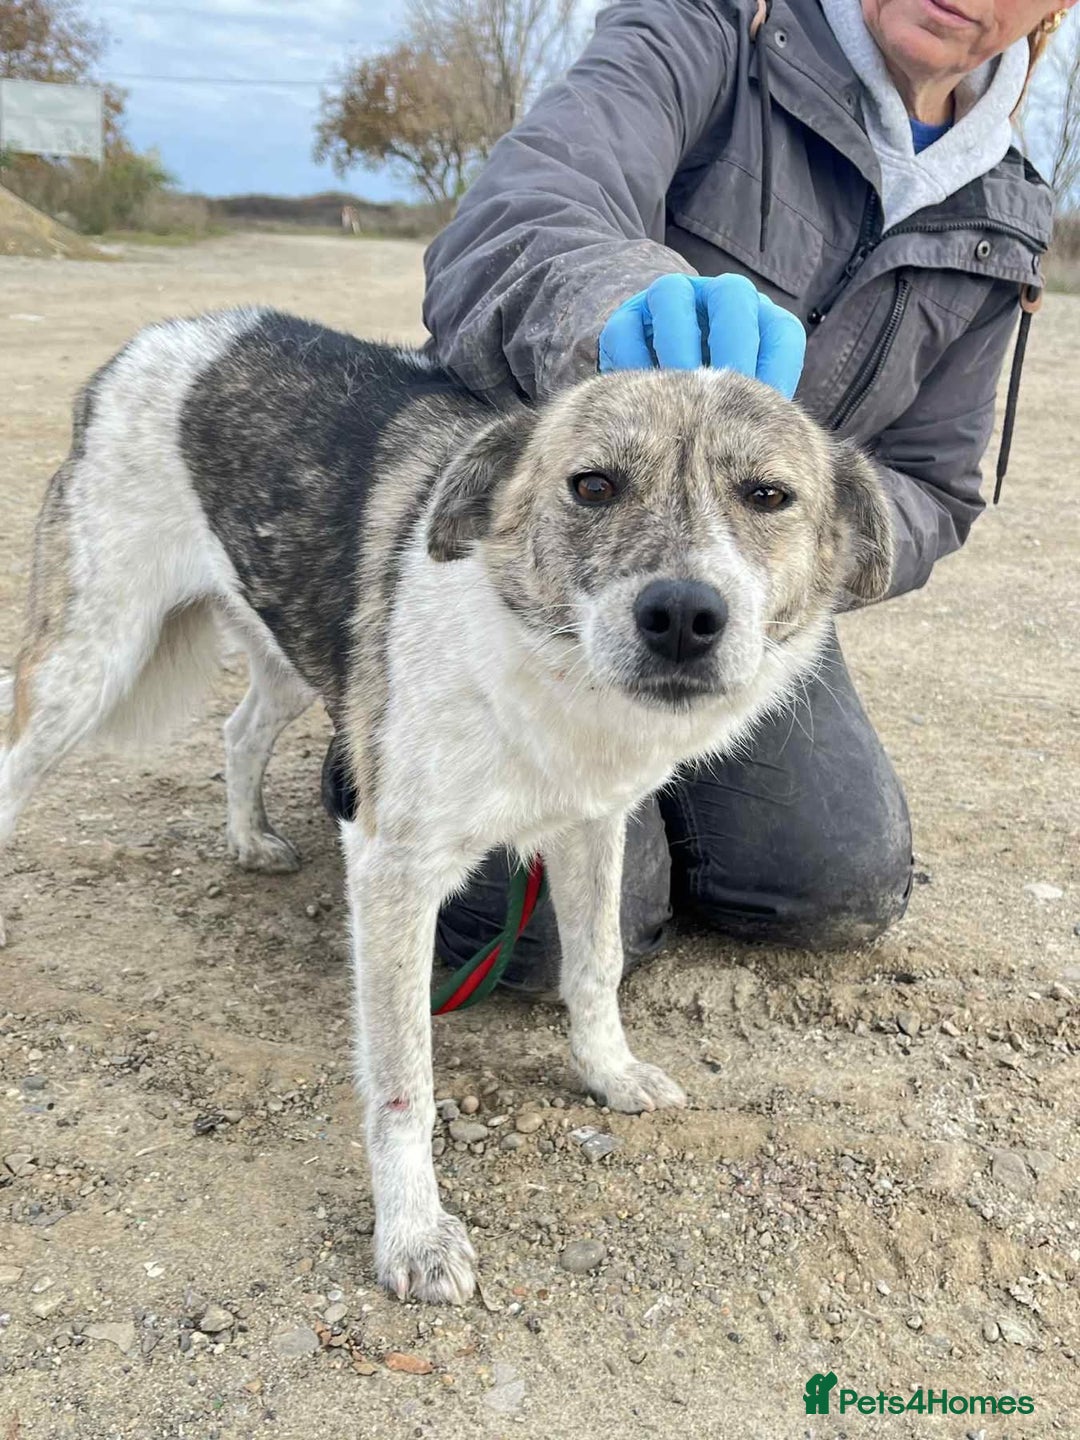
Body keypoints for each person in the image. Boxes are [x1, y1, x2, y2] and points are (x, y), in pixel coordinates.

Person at [331, 0, 1071, 992]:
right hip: (569, 565)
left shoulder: (1006, 212)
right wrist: (605, 307)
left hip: (741, 591)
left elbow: (934, 480)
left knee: (830, 885)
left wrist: (802, 536)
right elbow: (521, 211)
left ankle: (644, 767)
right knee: (527, 943)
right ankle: (385, 724)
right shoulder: (713, 28)